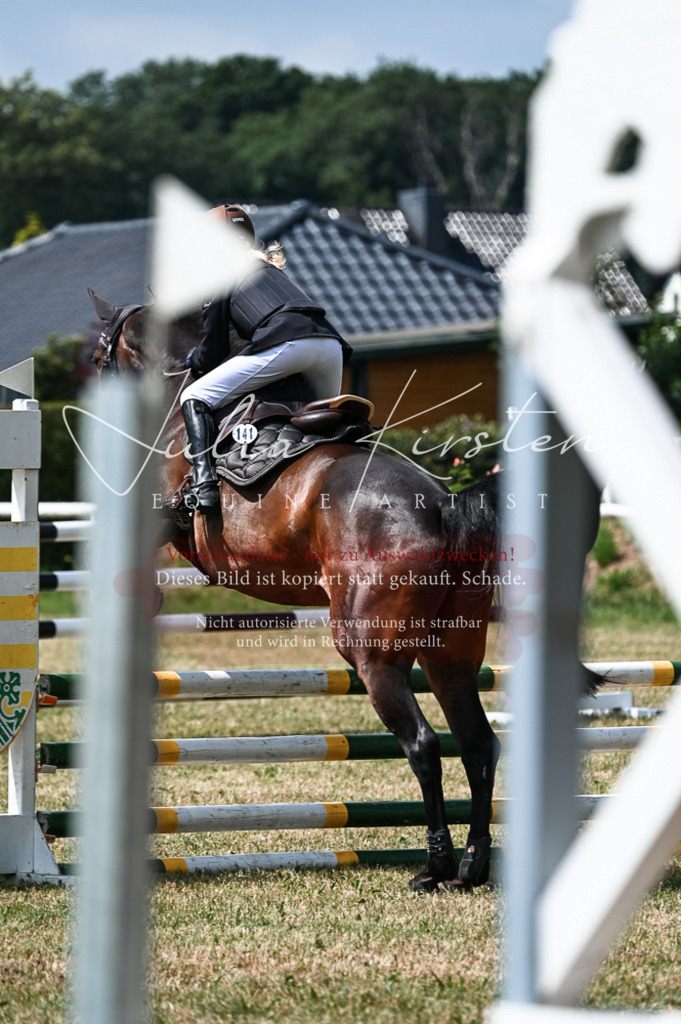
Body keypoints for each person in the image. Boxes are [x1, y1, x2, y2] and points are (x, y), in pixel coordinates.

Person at [180, 204, 350, 514]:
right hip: (330, 346)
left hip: (290, 345)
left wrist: (193, 360)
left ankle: (203, 485)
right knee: (326, 424)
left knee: (195, 396)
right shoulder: (269, 270)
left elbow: (214, 349)